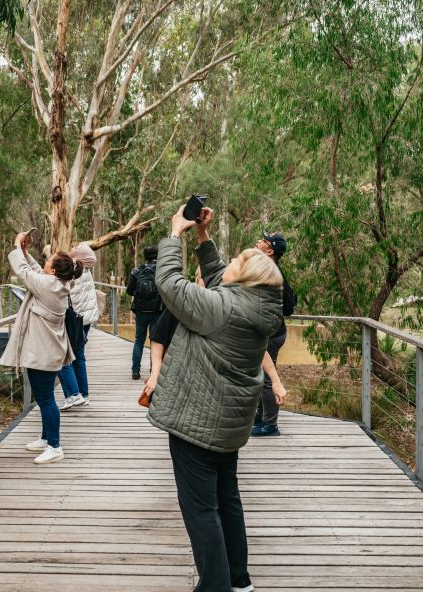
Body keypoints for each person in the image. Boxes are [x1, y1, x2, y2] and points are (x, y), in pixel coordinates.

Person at [144, 206, 283, 592]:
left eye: (240, 259)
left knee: (201, 510)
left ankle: (216, 586)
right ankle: (239, 580)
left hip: (197, 423)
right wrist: (203, 236)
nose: (233, 259)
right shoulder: (255, 305)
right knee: (227, 501)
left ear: (248, 277)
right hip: (226, 425)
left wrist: (175, 235)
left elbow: (170, 284)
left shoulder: (220, 309)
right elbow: (224, 278)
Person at [146, 268, 287, 412]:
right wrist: (155, 373)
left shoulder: (229, 311)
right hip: (179, 382)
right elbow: (158, 339)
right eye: (203, 277)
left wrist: (276, 381)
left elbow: (258, 348)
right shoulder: (182, 304)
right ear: (197, 280)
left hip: (215, 389)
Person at [0, 232, 82, 464]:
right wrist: (25, 251)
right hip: (47, 350)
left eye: (48, 260)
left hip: (44, 352)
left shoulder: (48, 286)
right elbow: (36, 270)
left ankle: (55, 446)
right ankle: (46, 438)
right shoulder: (56, 283)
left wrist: (16, 244)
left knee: (45, 399)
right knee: (44, 397)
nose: (44, 262)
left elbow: (25, 272)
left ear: (53, 271)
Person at [251, 230, 298, 437]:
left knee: (268, 378)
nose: (258, 242)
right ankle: (261, 417)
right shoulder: (270, 268)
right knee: (262, 377)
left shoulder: (269, 273)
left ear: (269, 250)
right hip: (272, 331)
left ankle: (270, 424)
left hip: (271, 334)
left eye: (262, 241)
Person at [58, 243, 101, 410]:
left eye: (75, 248)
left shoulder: (74, 270)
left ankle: (74, 394)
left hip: (74, 321)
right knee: (80, 356)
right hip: (85, 320)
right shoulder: (86, 270)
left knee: (67, 356)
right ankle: (84, 394)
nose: (72, 249)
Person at [126, 244, 163, 380]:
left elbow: (129, 290)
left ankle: (135, 371)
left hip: (141, 310)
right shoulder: (161, 270)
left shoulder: (136, 271)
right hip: (157, 310)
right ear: (157, 255)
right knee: (155, 341)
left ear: (145, 256)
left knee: (139, 340)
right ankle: (154, 369)